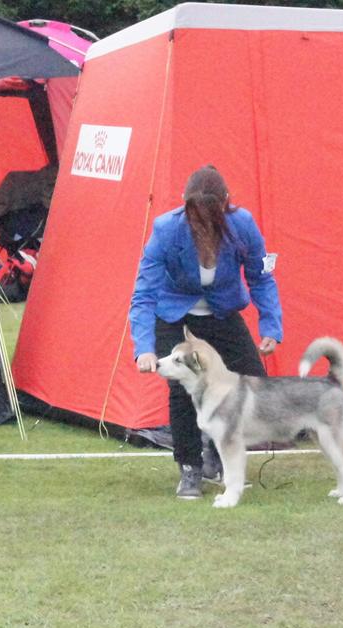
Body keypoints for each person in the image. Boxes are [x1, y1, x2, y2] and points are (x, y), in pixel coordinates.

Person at [129, 165, 282, 499]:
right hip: (173, 312)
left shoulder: (243, 226)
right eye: (197, 217)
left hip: (222, 311)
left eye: (213, 218)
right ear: (184, 204)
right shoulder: (166, 230)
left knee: (251, 382)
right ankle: (190, 467)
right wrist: (144, 347)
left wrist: (270, 324)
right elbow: (144, 295)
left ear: (227, 204)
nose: (204, 226)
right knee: (182, 387)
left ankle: (216, 449)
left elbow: (261, 276)